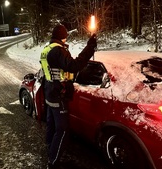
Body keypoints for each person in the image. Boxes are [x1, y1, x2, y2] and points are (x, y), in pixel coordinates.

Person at [40, 24, 97, 169]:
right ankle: (53, 162)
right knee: (63, 130)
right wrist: (90, 47)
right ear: (63, 37)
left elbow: (52, 71)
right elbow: (74, 65)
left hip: (49, 92)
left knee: (51, 124)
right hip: (58, 95)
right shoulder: (58, 51)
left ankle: (50, 148)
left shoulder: (46, 50)